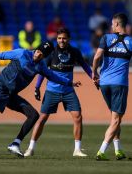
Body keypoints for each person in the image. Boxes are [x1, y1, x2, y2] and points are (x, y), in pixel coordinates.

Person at [0, 41, 82, 157]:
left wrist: (69, 83)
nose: (38, 54)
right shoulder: (21, 53)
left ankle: (15, 144)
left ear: (44, 56)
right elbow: (1, 55)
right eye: (38, 51)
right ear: (36, 49)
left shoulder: (40, 66)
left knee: (33, 115)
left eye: (42, 54)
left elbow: (53, 76)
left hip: (11, 94)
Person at [23, 28, 92, 157]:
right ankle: (30, 148)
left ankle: (77, 149)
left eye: (64, 38)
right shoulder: (51, 53)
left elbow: (85, 66)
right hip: (52, 91)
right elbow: (43, 71)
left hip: (68, 91)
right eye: (59, 38)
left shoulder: (75, 52)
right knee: (42, 118)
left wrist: (93, 77)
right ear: (56, 39)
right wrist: (37, 87)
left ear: (69, 39)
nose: (61, 40)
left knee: (78, 116)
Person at [92, 13, 132, 160]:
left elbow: (97, 57)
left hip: (104, 84)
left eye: (112, 23)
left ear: (116, 24)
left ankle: (118, 150)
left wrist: (94, 74)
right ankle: (101, 151)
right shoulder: (131, 42)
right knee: (116, 119)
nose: (111, 26)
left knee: (114, 118)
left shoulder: (106, 38)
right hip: (119, 84)